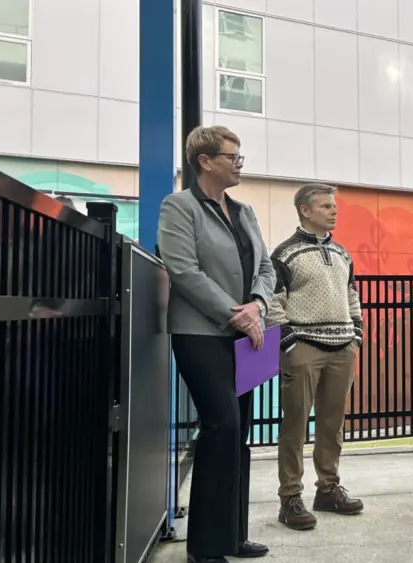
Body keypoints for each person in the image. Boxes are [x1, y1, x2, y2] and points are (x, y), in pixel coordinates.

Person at [157, 125, 275, 563]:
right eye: (232, 156)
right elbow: (184, 271)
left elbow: (265, 266)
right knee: (221, 426)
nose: (239, 163)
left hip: (247, 334)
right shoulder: (179, 207)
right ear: (205, 161)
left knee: (238, 435)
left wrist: (258, 304)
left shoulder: (245, 212)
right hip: (200, 334)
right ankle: (205, 549)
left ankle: (233, 536)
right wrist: (235, 312)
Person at [267, 183, 364, 530]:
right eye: (325, 206)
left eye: (333, 206)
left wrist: (357, 332)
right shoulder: (284, 253)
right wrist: (288, 339)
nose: (333, 211)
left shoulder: (341, 252)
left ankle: (328, 489)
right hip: (303, 346)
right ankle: (290, 499)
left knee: (332, 423)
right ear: (305, 211)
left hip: (342, 347)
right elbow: (273, 301)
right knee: (294, 425)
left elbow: (352, 295)